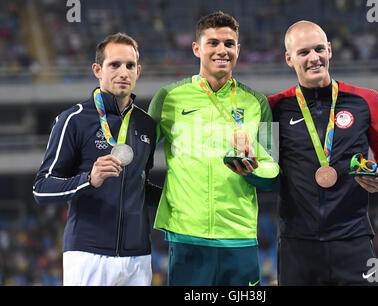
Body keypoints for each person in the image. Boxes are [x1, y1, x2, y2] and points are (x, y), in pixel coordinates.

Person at [148, 11, 279, 286]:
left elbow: (274, 168)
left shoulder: (259, 103)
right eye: (213, 43)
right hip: (186, 236)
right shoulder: (167, 98)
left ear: (238, 49)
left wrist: (254, 169)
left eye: (229, 44)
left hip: (239, 236)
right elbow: (140, 156)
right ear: (197, 48)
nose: (222, 50)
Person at [268, 21, 378, 285]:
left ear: (329, 49)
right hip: (297, 244)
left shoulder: (367, 101)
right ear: (289, 58)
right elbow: (263, 168)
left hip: (353, 240)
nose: (314, 58)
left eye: (319, 49)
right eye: (304, 52)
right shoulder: (273, 108)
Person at [33, 33, 161, 286]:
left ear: (138, 71)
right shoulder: (75, 119)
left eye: (130, 65)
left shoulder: (146, 124)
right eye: (114, 65)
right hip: (87, 255)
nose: (123, 72)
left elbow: (139, 186)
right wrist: (89, 180)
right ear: (97, 70)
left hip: (138, 257)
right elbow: (41, 189)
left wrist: (179, 195)